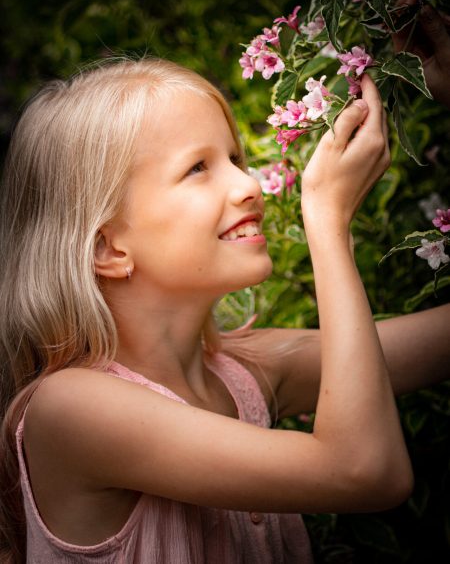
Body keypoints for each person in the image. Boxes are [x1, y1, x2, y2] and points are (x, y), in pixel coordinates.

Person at [0, 57, 447, 564]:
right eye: (198, 168)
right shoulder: (72, 410)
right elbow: (365, 471)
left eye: (235, 158)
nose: (248, 185)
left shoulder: (242, 372)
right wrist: (327, 222)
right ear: (109, 248)